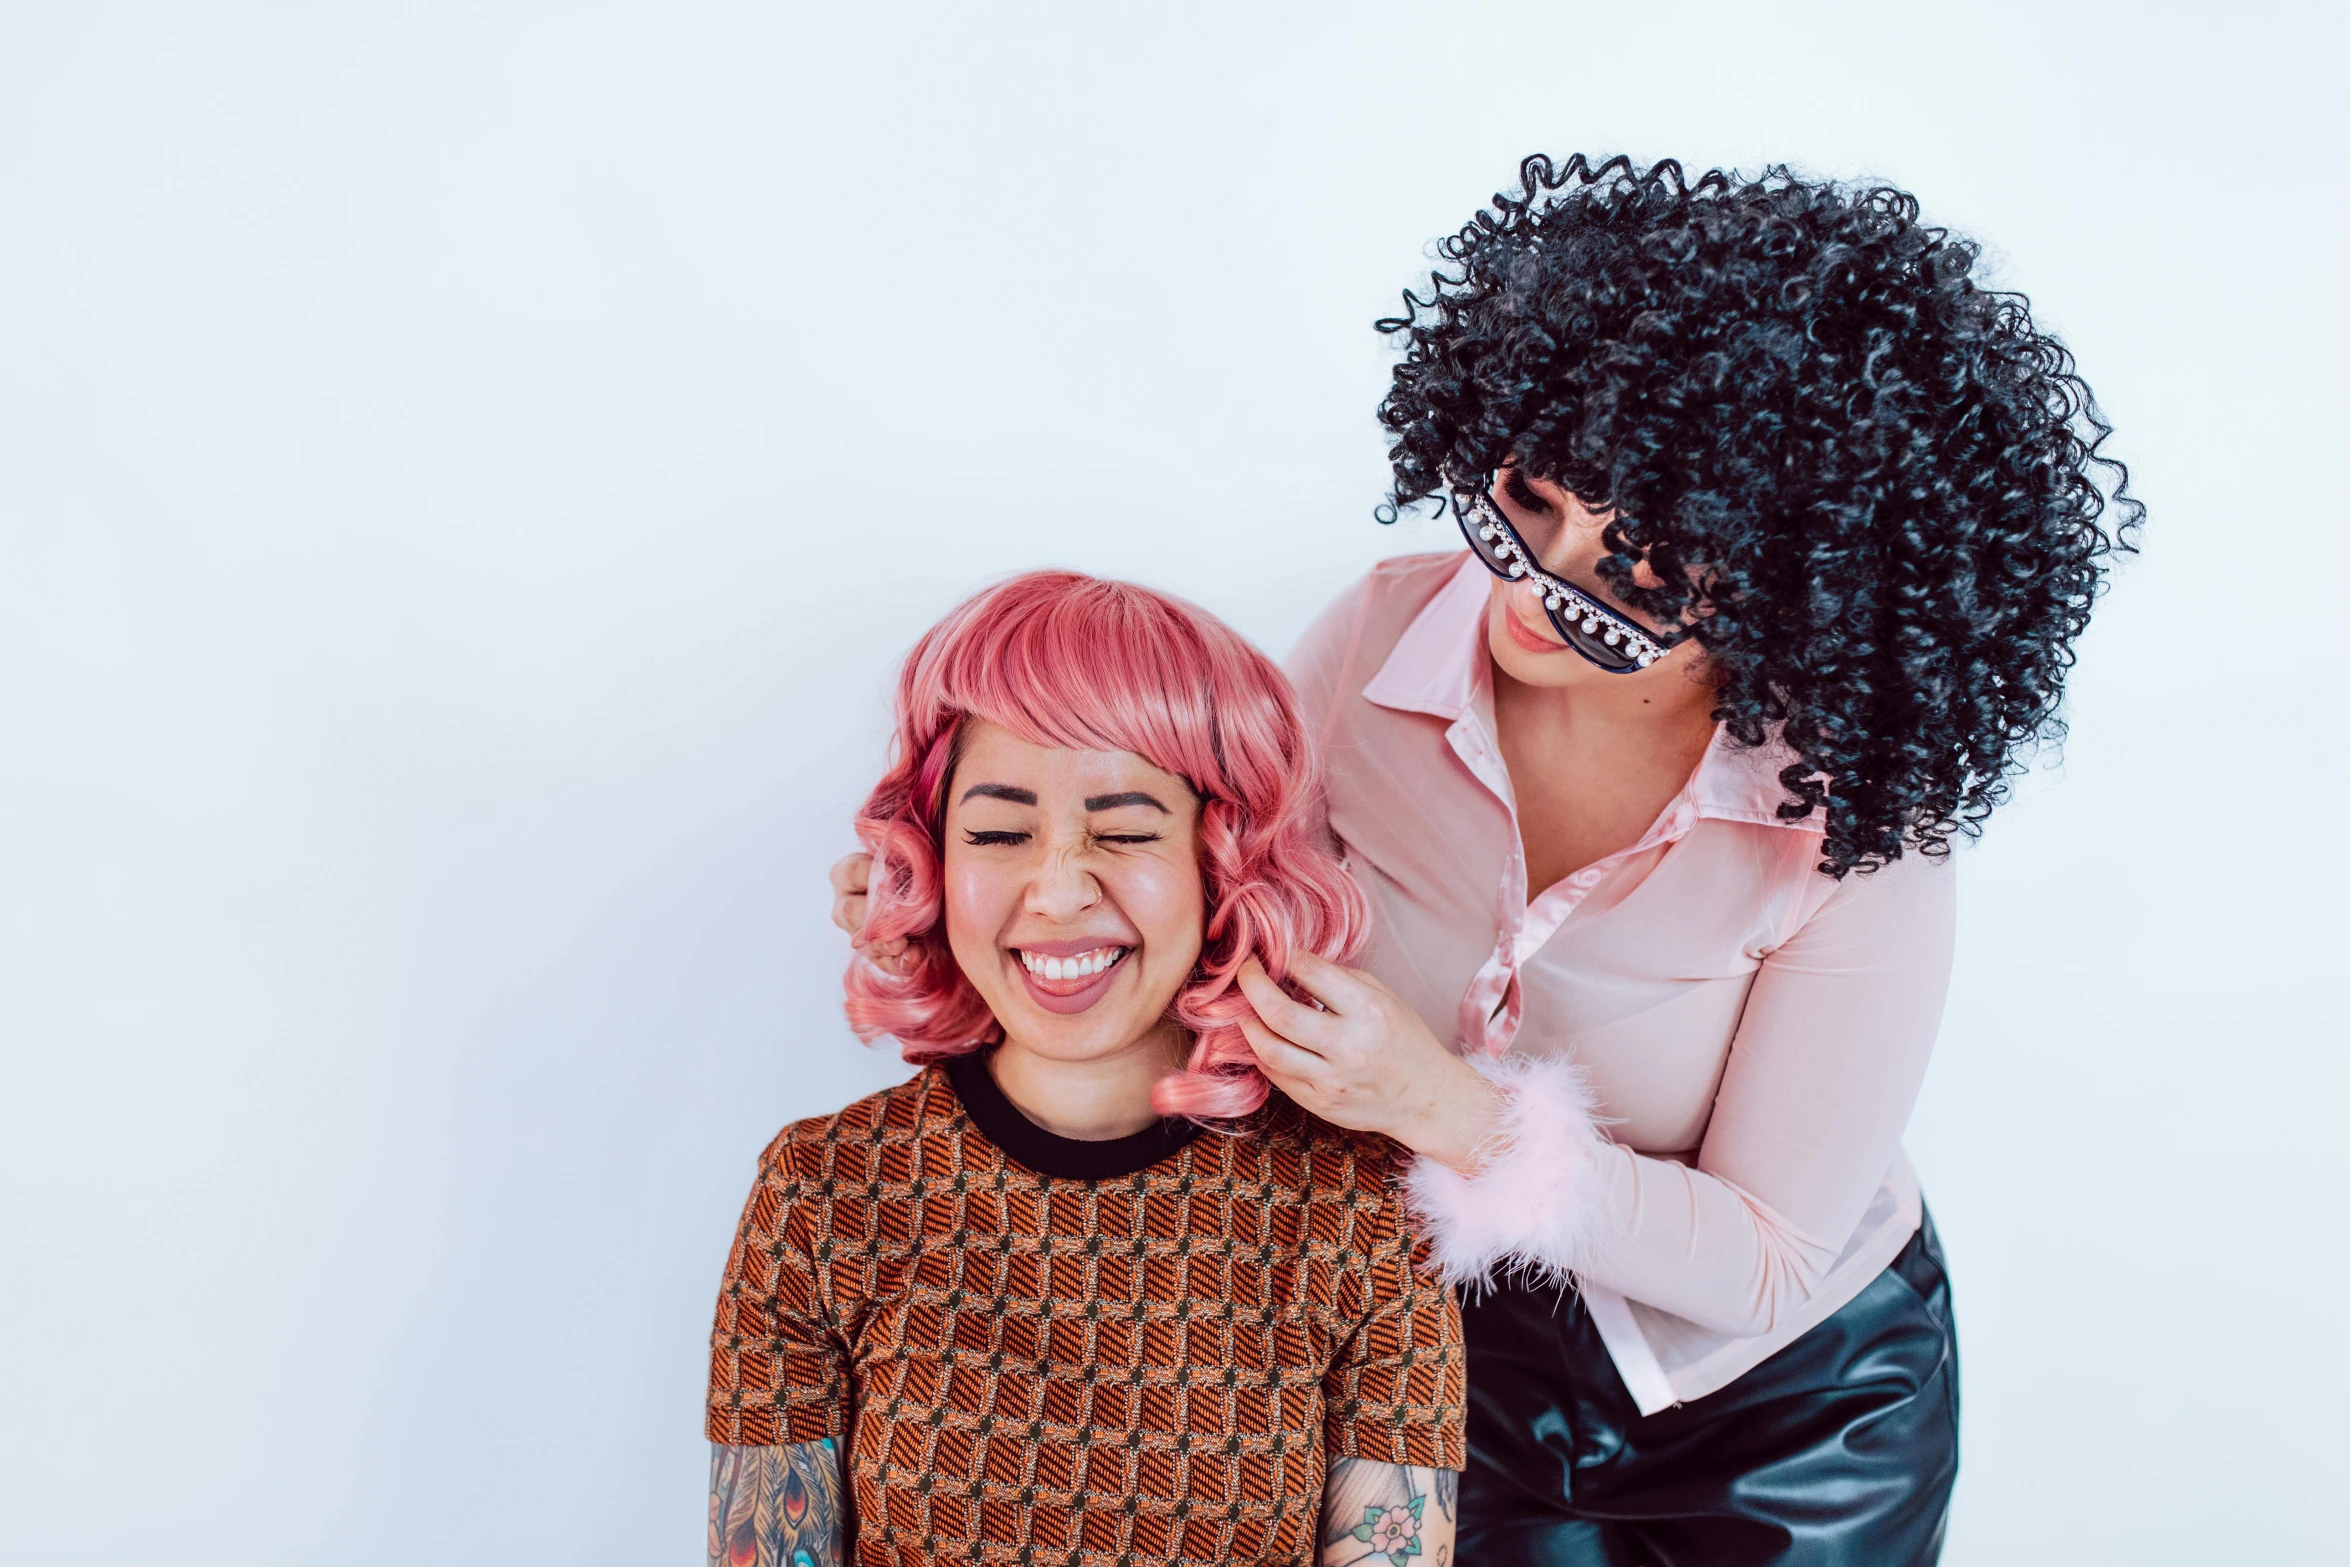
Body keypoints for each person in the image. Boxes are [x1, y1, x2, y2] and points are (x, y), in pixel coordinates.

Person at [835, 157, 2139, 1564]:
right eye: (1530, 498)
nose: (1532, 579)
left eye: (1633, 570)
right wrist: (958, 904)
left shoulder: (1857, 830)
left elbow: (1763, 1260)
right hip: (1439, 1350)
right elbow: (1206, 917)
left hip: (1785, 1409)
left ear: (1792, 590)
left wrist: (1449, 1109)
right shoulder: (1371, 652)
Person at [712, 571, 1466, 1567]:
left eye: (1121, 830)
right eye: (996, 832)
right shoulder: (823, 1194)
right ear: (930, 858)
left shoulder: (1365, 1210)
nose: (1059, 887)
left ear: (1223, 861)